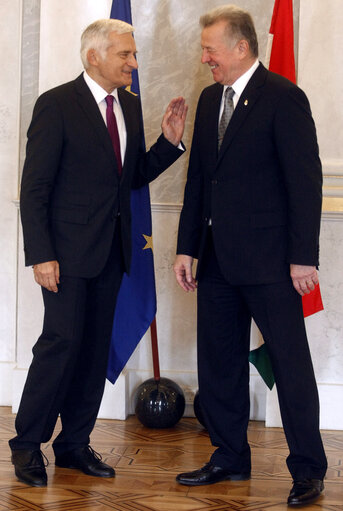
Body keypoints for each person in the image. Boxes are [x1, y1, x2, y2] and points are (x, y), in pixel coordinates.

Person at [10, 18, 187, 487]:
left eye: (133, 54)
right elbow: (36, 189)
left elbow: (128, 178)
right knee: (60, 346)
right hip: (65, 258)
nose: (134, 62)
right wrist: (41, 254)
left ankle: (73, 445)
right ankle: (27, 445)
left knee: (92, 352)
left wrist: (169, 143)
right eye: (126, 54)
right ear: (95, 56)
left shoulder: (127, 106)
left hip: (112, 253)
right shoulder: (57, 105)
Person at [173, 5, 326, 507]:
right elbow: (199, 180)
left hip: (271, 262)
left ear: (242, 47)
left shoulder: (284, 97)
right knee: (218, 364)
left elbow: (305, 183)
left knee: (291, 363)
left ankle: (307, 469)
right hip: (215, 260)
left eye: (210, 49)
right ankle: (229, 456)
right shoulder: (208, 97)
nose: (204, 58)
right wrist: (185, 247)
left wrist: (303, 257)